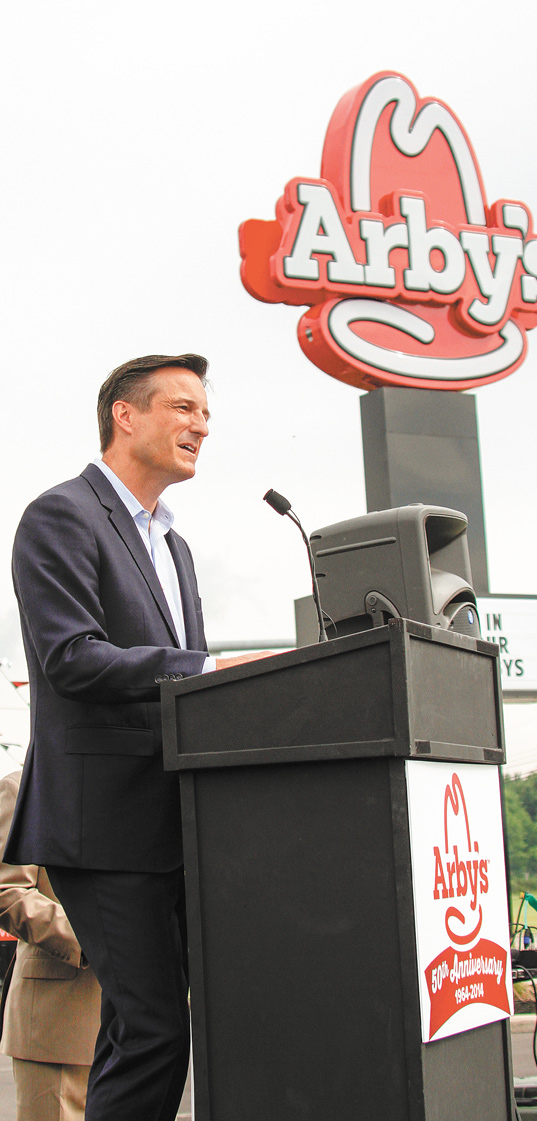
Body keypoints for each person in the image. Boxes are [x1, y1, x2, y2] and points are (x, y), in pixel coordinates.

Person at [4, 354, 265, 1121]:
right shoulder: (61, 515)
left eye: (207, 414)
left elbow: (185, 690)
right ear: (126, 414)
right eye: (184, 408)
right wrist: (213, 665)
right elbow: (71, 657)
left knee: (136, 1031)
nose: (201, 426)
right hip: (102, 825)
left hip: (172, 822)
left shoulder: (176, 547)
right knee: (154, 1031)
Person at [0, 768, 101, 1120]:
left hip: (133, 1028)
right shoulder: (20, 786)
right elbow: (8, 890)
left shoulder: (127, 787)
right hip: (55, 1026)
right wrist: (94, 938)